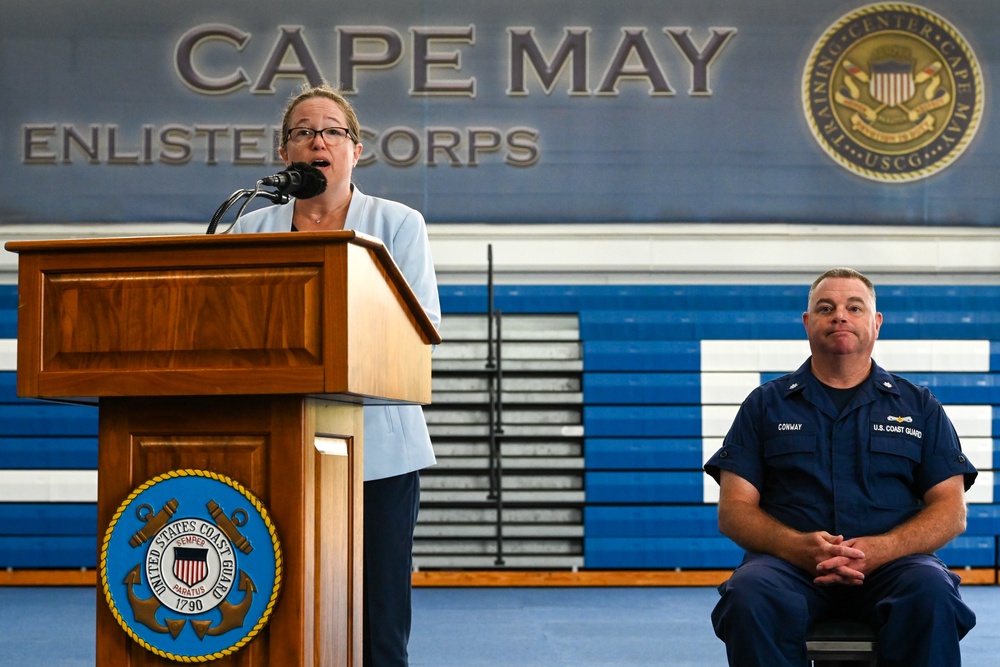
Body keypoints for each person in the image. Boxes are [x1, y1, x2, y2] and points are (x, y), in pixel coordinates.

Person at [231, 83, 440, 667]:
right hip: (276, 447)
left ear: (355, 149)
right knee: (277, 606)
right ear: (285, 152)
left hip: (380, 451)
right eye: (302, 131)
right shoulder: (250, 228)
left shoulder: (397, 223)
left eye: (330, 131)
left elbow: (418, 325)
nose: (316, 140)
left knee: (378, 620)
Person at [704, 267, 977, 667]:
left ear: (876, 322)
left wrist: (882, 549)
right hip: (788, 568)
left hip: (894, 568)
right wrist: (796, 547)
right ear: (807, 322)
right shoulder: (764, 405)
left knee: (931, 590)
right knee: (749, 592)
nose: (840, 316)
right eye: (826, 307)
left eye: (854, 307)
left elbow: (951, 511)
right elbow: (734, 511)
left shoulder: (919, 407)